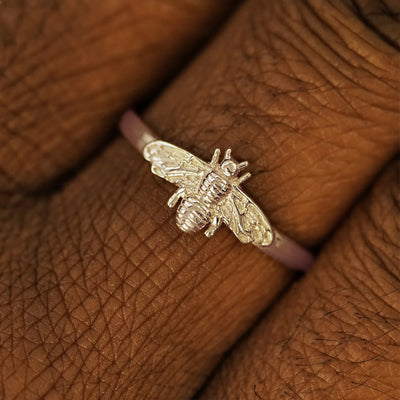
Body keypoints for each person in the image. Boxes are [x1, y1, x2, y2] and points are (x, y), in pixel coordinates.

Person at [0, 0, 398, 399]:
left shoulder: (218, 193)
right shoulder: (221, 194)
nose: (227, 171)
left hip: (194, 201)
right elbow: (170, 165)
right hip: (196, 204)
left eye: (228, 173)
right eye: (226, 170)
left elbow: (228, 210)